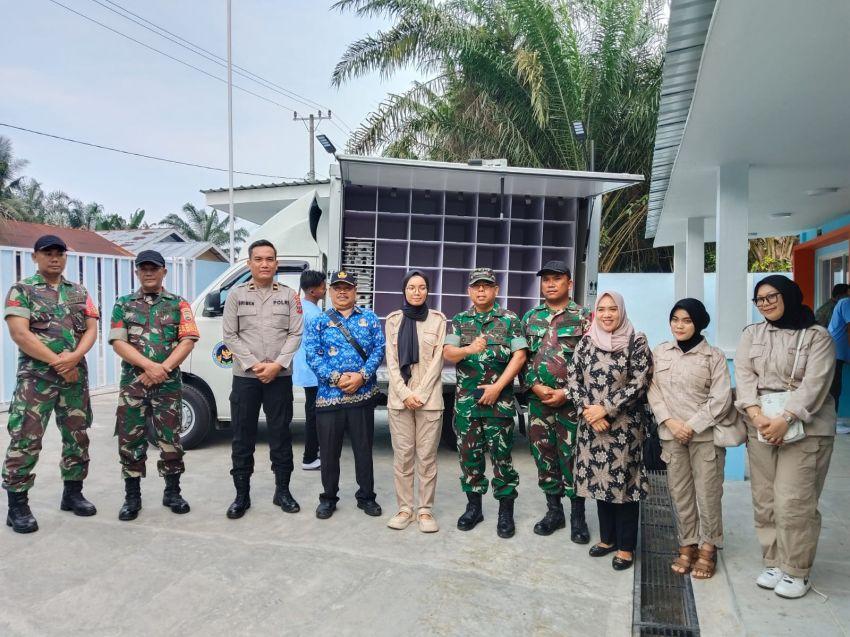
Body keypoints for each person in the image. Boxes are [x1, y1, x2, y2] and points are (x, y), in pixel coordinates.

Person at [735, 275, 836, 599]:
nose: (765, 303)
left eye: (771, 296)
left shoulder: (817, 336)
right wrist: (755, 414)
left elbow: (815, 383)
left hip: (805, 427)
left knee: (794, 500)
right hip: (760, 423)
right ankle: (774, 561)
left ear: (789, 295)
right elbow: (745, 375)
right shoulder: (752, 334)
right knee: (765, 499)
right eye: (759, 299)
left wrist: (786, 417)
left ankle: (796, 570)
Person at [2, 235, 100, 533]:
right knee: (26, 438)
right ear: (35, 257)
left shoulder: (80, 292)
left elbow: (92, 329)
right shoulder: (22, 290)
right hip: (36, 380)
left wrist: (74, 359)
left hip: (74, 378)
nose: (54, 258)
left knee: (77, 436)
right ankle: (17, 505)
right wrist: (59, 362)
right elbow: (20, 334)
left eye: (59, 253)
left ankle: (73, 493)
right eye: (48, 253)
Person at [109, 250, 199, 521]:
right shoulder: (123, 304)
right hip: (134, 385)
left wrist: (164, 368)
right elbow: (118, 342)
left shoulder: (179, 304)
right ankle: (132, 497)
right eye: (143, 268)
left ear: (164, 271)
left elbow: (188, 340)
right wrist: (149, 367)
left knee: (170, 439)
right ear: (137, 271)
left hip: (168, 385)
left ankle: (172, 492)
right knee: (130, 440)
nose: (148, 272)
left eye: (154, 268)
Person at [647, 299, 731, 579]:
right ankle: (687, 543)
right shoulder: (660, 353)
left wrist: (692, 426)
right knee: (680, 493)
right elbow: (653, 390)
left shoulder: (714, 357)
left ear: (698, 323)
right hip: (671, 436)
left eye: (686, 320)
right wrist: (670, 423)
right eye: (675, 319)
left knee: (708, 494)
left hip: (704, 438)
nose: (679, 326)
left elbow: (721, 399)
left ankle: (709, 547)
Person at [567, 291, 651, 571]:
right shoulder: (587, 341)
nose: (606, 314)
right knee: (599, 483)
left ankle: (626, 547)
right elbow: (573, 377)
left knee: (624, 486)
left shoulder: (636, 341)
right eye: (601, 309)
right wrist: (589, 412)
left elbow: (639, 382)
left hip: (624, 427)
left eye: (612, 309)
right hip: (592, 425)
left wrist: (605, 408)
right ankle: (607, 539)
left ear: (621, 310)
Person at [443, 267, 528, 538]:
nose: (481, 290)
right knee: (469, 458)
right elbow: (449, 353)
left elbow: (520, 356)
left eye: (486, 286)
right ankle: (474, 508)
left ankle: (505, 513)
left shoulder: (509, 319)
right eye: (476, 286)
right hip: (467, 405)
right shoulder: (460, 320)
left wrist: (497, 387)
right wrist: (469, 349)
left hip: (498, 404)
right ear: (469, 291)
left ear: (496, 290)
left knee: (502, 458)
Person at [223, 239, 304, 519]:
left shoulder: (290, 296)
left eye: (270, 259)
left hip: (279, 378)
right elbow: (230, 335)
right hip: (245, 378)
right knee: (242, 437)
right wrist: (255, 364)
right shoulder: (235, 295)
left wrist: (278, 365)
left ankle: (283, 492)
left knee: (281, 436)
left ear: (276, 263)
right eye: (258, 259)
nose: (264, 264)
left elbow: (296, 333)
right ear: (249, 264)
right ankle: (241, 495)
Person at [305, 270, 385, 520]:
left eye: (347, 288)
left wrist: (362, 375)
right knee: (329, 452)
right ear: (330, 291)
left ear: (355, 292)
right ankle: (328, 498)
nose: (342, 292)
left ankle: (367, 496)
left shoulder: (369, 319)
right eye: (337, 287)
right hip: (329, 396)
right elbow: (312, 354)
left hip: (361, 396)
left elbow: (378, 350)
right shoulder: (319, 321)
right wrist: (336, 378)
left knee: (363, 449)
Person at [521, 260, 591, 543]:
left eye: (557, 278)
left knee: (572, 458)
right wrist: (534, 386)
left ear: (569, 284)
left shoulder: (584, 317)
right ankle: (554, 512)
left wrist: (567, 393)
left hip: (570, 404)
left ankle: (578, 517)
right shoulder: (530, 318)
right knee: (543, 456)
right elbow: (520, 358)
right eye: (546, 279)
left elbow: (591, 363)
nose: (550, 283)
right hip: (538, 403)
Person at [384, 271, 446, 533]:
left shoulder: (439, 320)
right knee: (403, 456)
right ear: (404, 291)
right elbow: (391, 360)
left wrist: (419, 393)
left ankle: (424, 511)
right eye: (411, 287)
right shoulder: (393, 320)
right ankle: (405, 508)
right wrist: (404, 393)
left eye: (422, 288)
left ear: (428, 291)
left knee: (427, 457)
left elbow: (438, 360)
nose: (417, 292)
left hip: (429, 400)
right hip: (399, 401)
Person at [292, 270, 327, 469]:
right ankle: (310, 457)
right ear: (313, 290)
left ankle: (313, 453)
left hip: (306, 370)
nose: (325, 289)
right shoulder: (314, 314)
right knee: (315, 415)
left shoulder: (301, 309)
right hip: (314, 371)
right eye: (323, 286)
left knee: (313, 412)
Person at [826, 295, 850, 434]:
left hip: (837, 350)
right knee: (834, 387)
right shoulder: (846, 302)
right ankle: (832, 423)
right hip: (835, 351)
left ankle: (833, 419)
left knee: (835, 387)